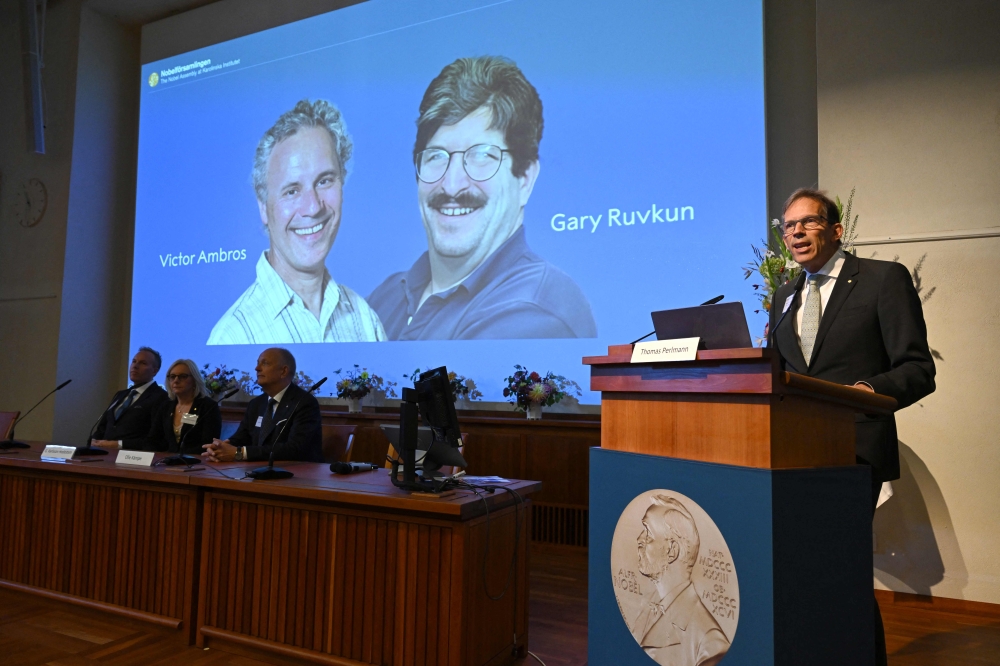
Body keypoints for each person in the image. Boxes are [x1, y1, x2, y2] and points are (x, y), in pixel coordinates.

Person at [768, 187, 936, 666]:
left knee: (840, 566)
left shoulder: (882, 280)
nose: (796, 232)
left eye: (808, 222)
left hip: (855, 446)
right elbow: (781, 374)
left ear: (836, 230)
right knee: (805, 568)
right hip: (794, 449)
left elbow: (918, 368)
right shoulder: (784, 296)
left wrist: (865, 390)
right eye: (789, 226)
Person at [368, 56, 597, 340]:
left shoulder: (533, 311)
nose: (452, 185)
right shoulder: (386, 298)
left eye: (481, 156)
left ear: (525, 178)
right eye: (437, 156)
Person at [208, 99, 385, 344]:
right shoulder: (233, 336)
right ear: (263, 207)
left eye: (324, 181)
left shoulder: (364, 320)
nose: (313, 207)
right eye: (291, 191)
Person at [632, 495, 730, 666]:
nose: (639, 539)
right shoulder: (647, 609)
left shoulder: (710, 643)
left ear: (672, 551)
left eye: (648, 533)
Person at [202, 348, 322, 463]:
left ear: (283, 371)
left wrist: (240, 453)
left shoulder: (304, 403)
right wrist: (221, 447)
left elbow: (294, 448)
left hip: (297, 471)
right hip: (258, 468)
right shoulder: (256, 404)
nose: (257, 368)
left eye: (265, 363)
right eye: (258, 363)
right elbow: (242, 437)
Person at [91, 347, 169, 451]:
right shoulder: (120, 395)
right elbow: (103, 427)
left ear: (155, 371)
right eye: (134, 361)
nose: (135, 366)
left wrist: (118, 444)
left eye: (143, 363)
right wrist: (93, 442)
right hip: (104, 454)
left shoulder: (161, 397)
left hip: (133, 456)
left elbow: (155, 438)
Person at [145, 359, 222, 454]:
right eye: (172, 376)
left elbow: (208, 443)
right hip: (166, 460)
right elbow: (153, 439)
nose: (176, 380)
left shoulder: (208, 406)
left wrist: (180, 456)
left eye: (183, 376)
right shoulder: (166, 406)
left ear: (194, 379)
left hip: (196, 459)